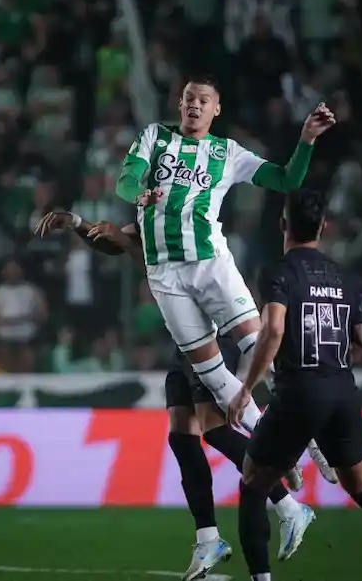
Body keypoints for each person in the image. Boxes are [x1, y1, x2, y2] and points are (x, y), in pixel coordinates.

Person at [35, 210, 324, 581]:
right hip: (182, 334)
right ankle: (211, 538)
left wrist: (117, 239)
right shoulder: (148, 215)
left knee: (215, 428)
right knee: (183, 436)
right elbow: (110, 241)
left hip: (210, 329)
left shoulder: (183, 216)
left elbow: (142, 254)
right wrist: (76, 223)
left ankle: (286, 501)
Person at [114, 76, 339, 480]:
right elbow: (126, 179)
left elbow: (287, 179)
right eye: (188, 99)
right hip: (165, 274)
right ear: (179, 105)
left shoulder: (226, 152)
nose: (194, 105)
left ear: (216, 109)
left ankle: (312, 441)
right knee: (213, 374)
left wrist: (306, 139)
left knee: (261, 349)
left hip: (212, 264)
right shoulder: (155, 137)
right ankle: (275, 446)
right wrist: (138, 194)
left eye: (203, 100)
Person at [227, 191, 362, 581]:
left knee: (254, 482)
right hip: (342, 391)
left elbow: (272, 330)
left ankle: (261, 578)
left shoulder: (279, 272)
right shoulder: (345, 276)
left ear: (283, 226)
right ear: (324, 227)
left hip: (300, 392)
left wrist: (245, 390)